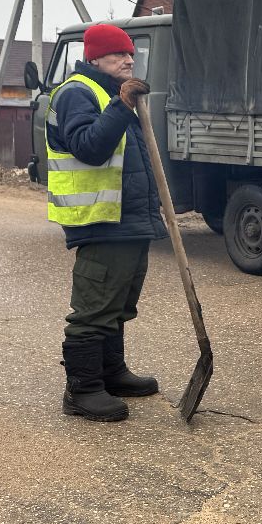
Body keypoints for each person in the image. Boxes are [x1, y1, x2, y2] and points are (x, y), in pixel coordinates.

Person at [47, 23, 167, 422]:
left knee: (118, 302)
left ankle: (112, 373)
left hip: (127, 218)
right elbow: (89, 148)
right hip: (100, 218)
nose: (129, 60)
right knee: (94, 306)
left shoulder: (111, 93)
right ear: (95, 57)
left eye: (130, 54)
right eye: (118, 54)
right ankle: (82, 390)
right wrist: (121, 106)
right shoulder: (78, 93)